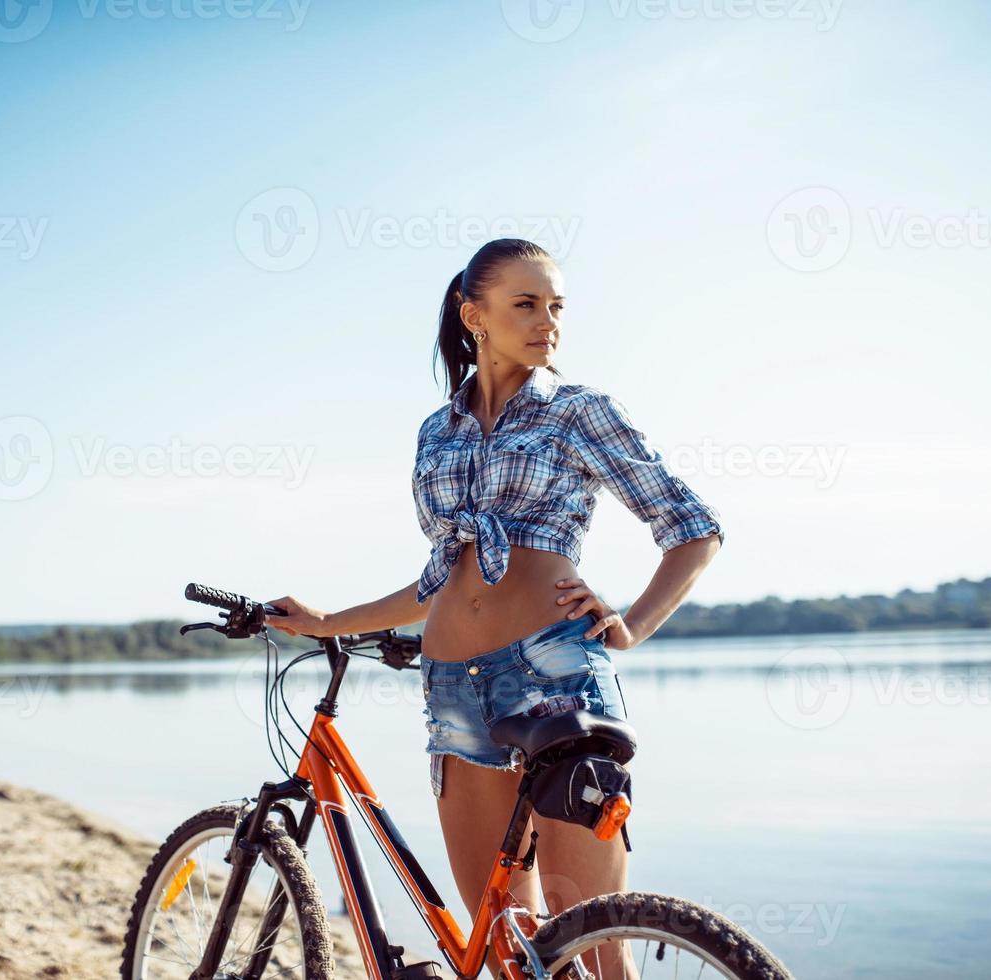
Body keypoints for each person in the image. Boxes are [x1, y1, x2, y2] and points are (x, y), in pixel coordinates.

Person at [265, 238, 724, 980]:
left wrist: (632, 623)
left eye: (555, 306)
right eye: (526, 304)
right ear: (472, 313)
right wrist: (321, 623)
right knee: (506, 947)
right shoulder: (434, 431)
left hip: (555, 675)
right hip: (450, 687)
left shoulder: (580, 413)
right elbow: (434, 583)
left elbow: (692, 528)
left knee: (595, 939)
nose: (548, 322)